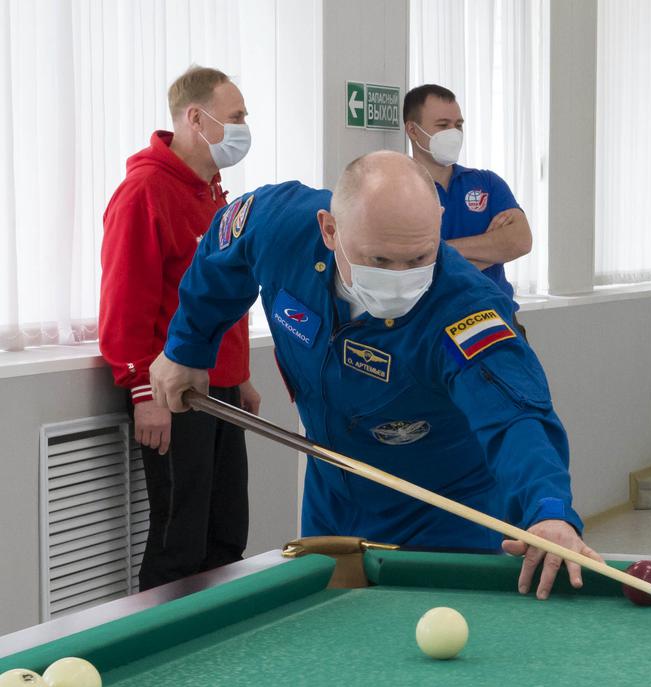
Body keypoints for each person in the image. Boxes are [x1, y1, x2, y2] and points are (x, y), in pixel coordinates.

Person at [148, 152, 596, 599]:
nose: (401, 279)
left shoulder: (466, 310)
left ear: (439, 225)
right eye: (379, 261)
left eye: (420, 257)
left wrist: (548, 510)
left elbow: (516, 418)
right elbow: (221, 254)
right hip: (333, 495)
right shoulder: (279, 225)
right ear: (329, 230)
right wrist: (187, 348)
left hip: (447, 515)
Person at [99, 65, 260, 590]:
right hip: (174, 393)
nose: (244, 126)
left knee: (226, 533)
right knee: (179, 540)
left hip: (222, 389)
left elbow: (224, 298)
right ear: (197, 119)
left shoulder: (213, 193)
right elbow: (125, 302)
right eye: (235, 116)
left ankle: (216, 652)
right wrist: (144, 392)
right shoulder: (144, 191)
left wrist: (241, 376)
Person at [403, 84, 531, 301]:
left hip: (496, 314)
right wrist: (491, 247)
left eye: (458, 125)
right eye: (443, 125)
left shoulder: (487, 183)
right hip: (432, 320)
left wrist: (440, 252)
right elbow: (407, 265)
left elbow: (520, 241)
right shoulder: (398, 190)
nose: (453, 133)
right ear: (413, 130)